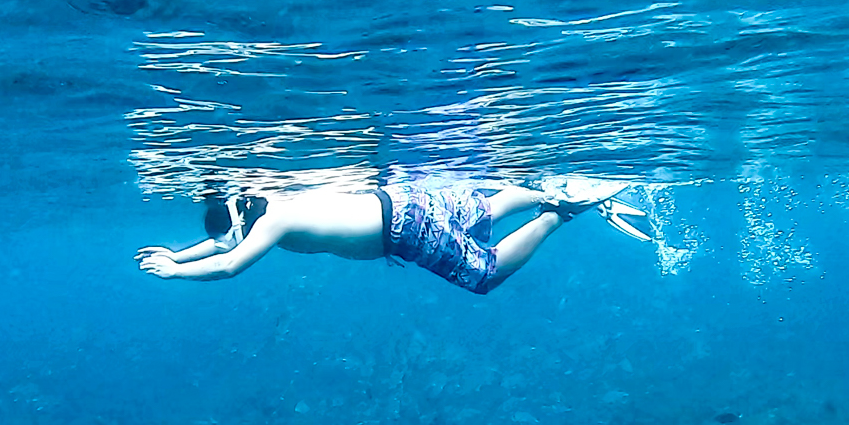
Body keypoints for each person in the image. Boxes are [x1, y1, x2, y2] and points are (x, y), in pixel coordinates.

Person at [136, 177, 649, 295]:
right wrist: (178, 255)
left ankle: (559, 212)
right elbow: (223, 245)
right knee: (483, 213)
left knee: (484, 273)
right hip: (404, 199)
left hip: (402, 230)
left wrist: (176, 274)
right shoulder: (267, 200)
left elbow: (229, 264)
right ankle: (543, 190)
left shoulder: (274, 223)